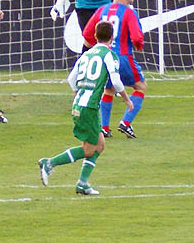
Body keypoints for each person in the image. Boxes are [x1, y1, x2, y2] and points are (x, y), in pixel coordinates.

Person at [37, 21, 133, 193]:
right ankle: (49, 162)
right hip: (89, 107)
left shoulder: (86, 55)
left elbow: (71, 79)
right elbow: (116, 81)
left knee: (99, 144)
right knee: (89, 149)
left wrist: (78, 92)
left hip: (81, 104)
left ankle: (83, 183)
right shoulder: (109, 55)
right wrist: (126, 99)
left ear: (95, 36)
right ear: (112, 37)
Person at [81, 0, 145, 138]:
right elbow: (137, 37)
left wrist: (93, 45)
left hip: (104, 56)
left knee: (108, 89)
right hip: (122, 57)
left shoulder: (102, 9)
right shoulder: (129, 12)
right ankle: (126, 122)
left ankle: (104, 127)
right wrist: (138, 45)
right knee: (140, 86)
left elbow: (88, 33)